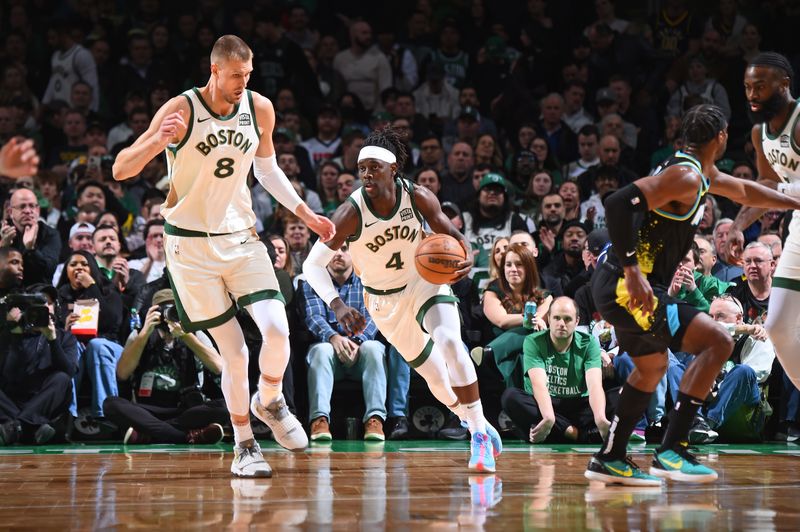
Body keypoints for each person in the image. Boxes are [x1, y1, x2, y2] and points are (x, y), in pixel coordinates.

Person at [112, 35, 335, 478]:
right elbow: (121, 168)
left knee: (277, 329)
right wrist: (157, 140)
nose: (243, 83)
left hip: (240, 236)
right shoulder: (183, 107)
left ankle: (269, 400)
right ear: (214, 71)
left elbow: (266, 169)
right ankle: (244, 445)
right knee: (234, 354)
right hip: (189, 246)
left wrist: (306, 212)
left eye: (248, 75)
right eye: (236, 75)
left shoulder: (260, 108)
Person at [585, 104, 800, 486]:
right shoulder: (684, 176)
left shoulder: (699, 171)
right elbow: (616, 203)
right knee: (717, 340)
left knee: (652, 368)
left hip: (620, 284)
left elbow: (747, 190)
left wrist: (795, 202)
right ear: (721, 137)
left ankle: (611, 456)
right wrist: (634, 271)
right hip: (626, 284)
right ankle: (673, 449)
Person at [303, 127, 502, 472]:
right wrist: (337, 304)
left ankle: (480, 437)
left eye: (374, 167)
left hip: (423, 282)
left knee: (451, 343)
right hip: (383, 303)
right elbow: (311, 264)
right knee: (437, 379)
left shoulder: (418, 196)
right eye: (362, 168)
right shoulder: (351, 212)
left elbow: (451, 234)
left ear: (393, 169)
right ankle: (475, 422)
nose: (366, 174)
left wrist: (465, 253)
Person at [731, 52, 800, 403]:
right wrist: (739, 225)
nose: (752, 94)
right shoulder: (760, 134)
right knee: (778, 328)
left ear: (784, 85)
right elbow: (766, 185)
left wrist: (781, 191)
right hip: (799, 226)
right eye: (747, 87)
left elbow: (777, 190)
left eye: (760, 86)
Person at [105, 289, 229, 445]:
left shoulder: (195, 334)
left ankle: (148, 434)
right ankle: (187, 436)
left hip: (185, 409)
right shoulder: (140, 334)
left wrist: (185, 335)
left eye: (173, 310)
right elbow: (122, 373)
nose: (168, 314)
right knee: (111, 405)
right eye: (163, 310)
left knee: (224, 407)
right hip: (147, 410)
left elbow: (219, 367)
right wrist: (145, 333)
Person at [302, 243, 387, 441]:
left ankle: (375, 420)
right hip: (331, 352)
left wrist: (358, 340)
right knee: (321, 350)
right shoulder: (312, 281)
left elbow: (375, 317)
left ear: (354, 252)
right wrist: (333, 337)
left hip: (361, 353)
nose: (338, 253)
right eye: (333, 250)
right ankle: (319, 420)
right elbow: (313, 317)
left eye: (344, 248)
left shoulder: (368, 280)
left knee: (374, 348)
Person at [501, 297, 612, 444]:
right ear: (549, 319)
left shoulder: (588, 342)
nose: (561, 324)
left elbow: (594, 385)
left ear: (577, 321)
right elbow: (539, 385)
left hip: (578, 406)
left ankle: (558, 433)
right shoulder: (534, 341)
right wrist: (548, 418)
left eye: (567, 319)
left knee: (621, 396)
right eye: (556, 318)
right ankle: (579, 434)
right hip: (546, 405)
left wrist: (600, 419)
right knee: (510, 397)